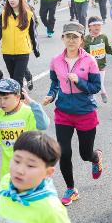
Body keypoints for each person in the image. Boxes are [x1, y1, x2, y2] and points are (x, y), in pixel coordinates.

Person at [42, 22, 103, 206]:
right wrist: (50, 96)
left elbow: (96, 87)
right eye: (68, 36)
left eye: (75, 37)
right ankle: (71, 188)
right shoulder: (55, 61)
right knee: (64, 153)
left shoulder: (89, 61)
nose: (71, 40)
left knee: (84, 154)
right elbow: (54, 83)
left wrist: (79, 83)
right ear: (62, 39)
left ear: (81, 39)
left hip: (85, 112)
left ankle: (95, 157)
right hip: (64, 113)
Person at [0, 131, 76, 223]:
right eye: (17, 161)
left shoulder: (51, 211)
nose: (19, 170)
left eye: (30, 165)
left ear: (48, 172)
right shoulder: (6, 182)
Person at [0, 78, 49, 178]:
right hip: (8, 172)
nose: (2, 102)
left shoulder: (28, 112)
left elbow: (44, 124)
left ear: (18, 97)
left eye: (6, 98)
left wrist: (33, 104)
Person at [0, 0, 40, 90]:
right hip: (7, 52)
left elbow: (33, 34)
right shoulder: (3, 14)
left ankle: (19, 102)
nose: (11, 0)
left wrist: (36, 49)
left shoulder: (28, 14)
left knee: (18, 80)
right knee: (13, 79)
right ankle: (17, 98)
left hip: (22, 52)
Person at [83, 16, 112, 103]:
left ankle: (102, 91)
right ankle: (93, 97)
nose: (97, 27)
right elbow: (82, 52)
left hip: (101, 65)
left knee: (100, 82)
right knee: (91, 83)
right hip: (90, 67)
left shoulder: (103, 37)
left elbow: (108, 49)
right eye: (94, 25)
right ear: (89, 27)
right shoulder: (86, 39)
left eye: (99, 25)